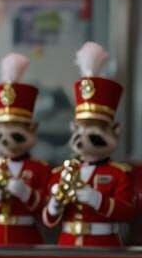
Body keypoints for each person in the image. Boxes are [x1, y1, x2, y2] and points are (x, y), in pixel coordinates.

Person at [42, 42, 135, 247]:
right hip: (68, 243)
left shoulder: (119, 174)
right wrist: (55, 204)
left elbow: (128, 211)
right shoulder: (61, 172)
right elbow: (48, 220)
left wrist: (97, 199)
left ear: (114, 131)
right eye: (81, 128)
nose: (85, 137)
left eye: (95, 128)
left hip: (104, 244)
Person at [0, 53, 49, 245]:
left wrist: (27, 194)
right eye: (2, 131)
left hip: (27, 237)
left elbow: (46, 209)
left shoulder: (40, 168)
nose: (7, 140)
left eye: (15, 132)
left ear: (32, 130)